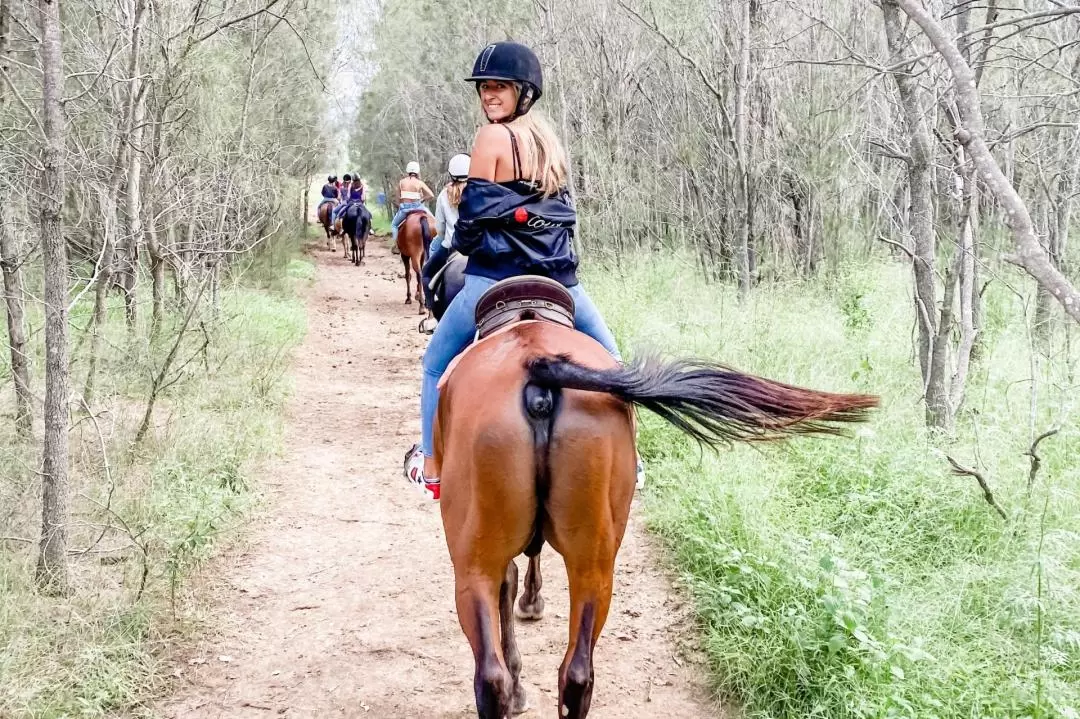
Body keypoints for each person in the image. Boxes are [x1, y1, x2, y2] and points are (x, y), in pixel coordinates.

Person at [404, 42, 643, 500]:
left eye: (500, 87)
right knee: (612, 361)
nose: (489, 95)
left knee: (435, 363)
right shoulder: (548, 143)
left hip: (494, 278)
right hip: (560, 282)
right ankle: (631, 465)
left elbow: (470, 226)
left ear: (523, 92)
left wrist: (471, 240)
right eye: (485, 88)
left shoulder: (489, 139)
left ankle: (431, 465)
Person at [419, 153, 470, 328]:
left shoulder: (443, 195)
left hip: (452, 246)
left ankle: (432, 316)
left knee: (426, 273)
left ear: (451, 174)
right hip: (479, 248)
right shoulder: (480, 192)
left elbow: (440, 228)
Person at [390, 161, 435, 242]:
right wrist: (422, 199)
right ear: (417, 171)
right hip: (418, 207)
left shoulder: (401, 182)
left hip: (405, 209)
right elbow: (431, 195)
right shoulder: (420, 183)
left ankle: (395, 245)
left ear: (408, 171)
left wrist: (400, 204)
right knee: (435, 222)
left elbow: (397, 198)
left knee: (394, 225)